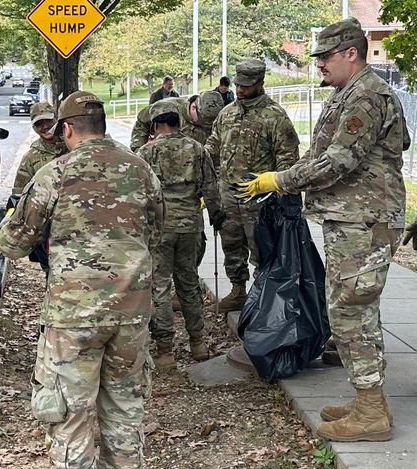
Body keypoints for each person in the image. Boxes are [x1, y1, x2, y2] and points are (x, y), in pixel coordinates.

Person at [237, 18, 410, 442]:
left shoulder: (366, 96)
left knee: (351, 313)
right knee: (352, 309)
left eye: (324, 57)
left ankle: (371, 412)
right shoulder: (349, 94)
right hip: (353, 219)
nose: (318, 66)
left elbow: (338, 162)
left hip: (364, 222)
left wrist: (278, 180)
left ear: (351, 52)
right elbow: (396, 142)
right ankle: (371, 400)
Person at [0, 91, 163, 469]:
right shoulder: (140, 168)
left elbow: (13, 242)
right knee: (125, 400)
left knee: (70, 410)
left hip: (73, 316)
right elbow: (156, 228)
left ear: (66, 129)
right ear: (102, 124)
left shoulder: (56, 172)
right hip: (131, 308)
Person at [205, 59, 300, 312]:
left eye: (247, 86)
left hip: (258, 198)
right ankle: (238, 290)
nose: (241, 90)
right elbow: (213, 147)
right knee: (231, 245)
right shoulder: (227, 113)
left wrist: (278, 190)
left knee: (263, 248)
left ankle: (263, 296)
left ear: (260, 83)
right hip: (228, 196)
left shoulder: (275, 116)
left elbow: (288, 161)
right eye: (238, 85)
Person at [136, 99, 223, 367]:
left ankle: (165, 350)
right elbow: (211, 189)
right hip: (190, 226)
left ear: (157, 125)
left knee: (160, 286)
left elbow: (139, 194)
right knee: (189, 283)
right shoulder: (197, 149)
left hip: (160, 229)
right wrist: (217, 218)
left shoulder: (147, 153)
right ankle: (197, 342)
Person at [130, 90, 224, 153]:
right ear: (194, 107)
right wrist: (139, 151)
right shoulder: (167, 107)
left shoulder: (214, 118)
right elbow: (141, 124)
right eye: (204, 121)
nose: (207, 124)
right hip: (161, 160)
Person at [11, 102, 68, 196]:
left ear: (57, 119)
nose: (45, 126)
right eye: (39, 124)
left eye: (48, 121)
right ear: (34, 128)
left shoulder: (73, 145)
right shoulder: (30, 158)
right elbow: (19, 193)